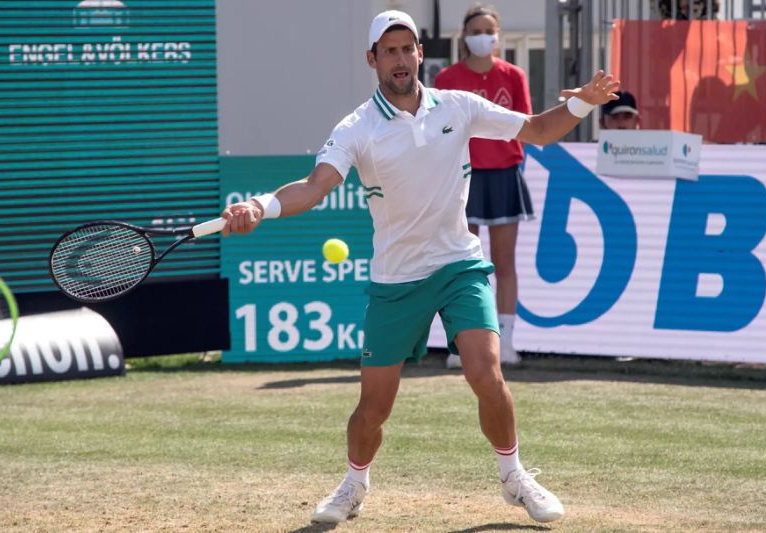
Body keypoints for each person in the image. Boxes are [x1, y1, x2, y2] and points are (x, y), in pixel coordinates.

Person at [221, 10, 619, 525]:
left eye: (408, 48)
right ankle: (353, 485)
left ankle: (514, 477)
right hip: (396, 280)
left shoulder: (458, 106)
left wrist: (584, 101)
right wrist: (260, 205)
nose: (402, 58)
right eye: (390, 50)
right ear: (373, 60)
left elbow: (539, 130)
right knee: (374, 408)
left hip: (458, 265)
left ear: (419, 54)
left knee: (486, 372)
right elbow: (315, 185)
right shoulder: (357, 128)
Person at [434, 4, 532, 369]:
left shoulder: (514, 75)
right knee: (463, 265)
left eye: (489, 30)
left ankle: (505, 343)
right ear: (465, 36)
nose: (482, 36)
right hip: (462, 177)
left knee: (504, 263)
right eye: (475, 30)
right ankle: (461, 344)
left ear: (498, 35)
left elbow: (528, 124)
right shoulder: (446, 77)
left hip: (505, 173)